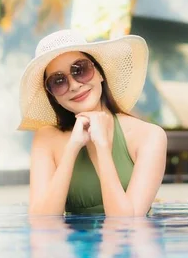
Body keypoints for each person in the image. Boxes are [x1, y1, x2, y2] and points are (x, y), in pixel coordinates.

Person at [17, 29, 167, 217]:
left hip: (129, 244)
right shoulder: (46, 138)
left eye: (80, 70)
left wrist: (102, 146)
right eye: (58, 81)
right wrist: (72, 149)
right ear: (53, 96)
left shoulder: (149, 136)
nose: (74, 85)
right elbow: (42, 220)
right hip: (75, 244)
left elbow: (126, 222)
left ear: (100, 73)